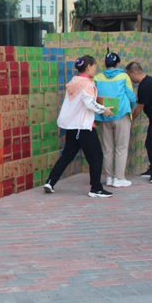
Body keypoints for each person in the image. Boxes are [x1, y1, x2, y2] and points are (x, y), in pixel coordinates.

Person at [44, 56, 114, 198]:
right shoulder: (87, 84)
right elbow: (89, 103)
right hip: (83, 126)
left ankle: (50, 182)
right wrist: (103, 110)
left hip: (72, 126)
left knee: (67, 155)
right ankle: (96, 188)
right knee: (96, 157)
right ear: (88, 67)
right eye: (95, 67)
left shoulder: (74, 82)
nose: (95, 70)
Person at [94, 53, 137, 188]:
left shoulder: (97, 77)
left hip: (104, 115)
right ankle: (119, 178)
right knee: (121, 148)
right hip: (121, 114)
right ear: (118, 64)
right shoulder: (124, 76)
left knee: (107, 149)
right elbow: (131, 96)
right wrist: (132, 106)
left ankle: (108, 177)